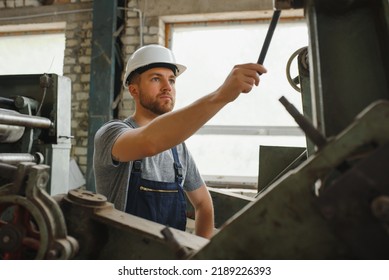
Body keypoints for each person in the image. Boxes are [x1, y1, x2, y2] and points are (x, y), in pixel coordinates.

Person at [93, 44, 267, 239]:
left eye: (172, 80)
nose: (167, 87)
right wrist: (221, 96)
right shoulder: (110, 134)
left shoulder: (178, 149)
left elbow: (203, 204)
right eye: (156, 79)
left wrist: (198, 255)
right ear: (134, 90)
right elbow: (149, 142)